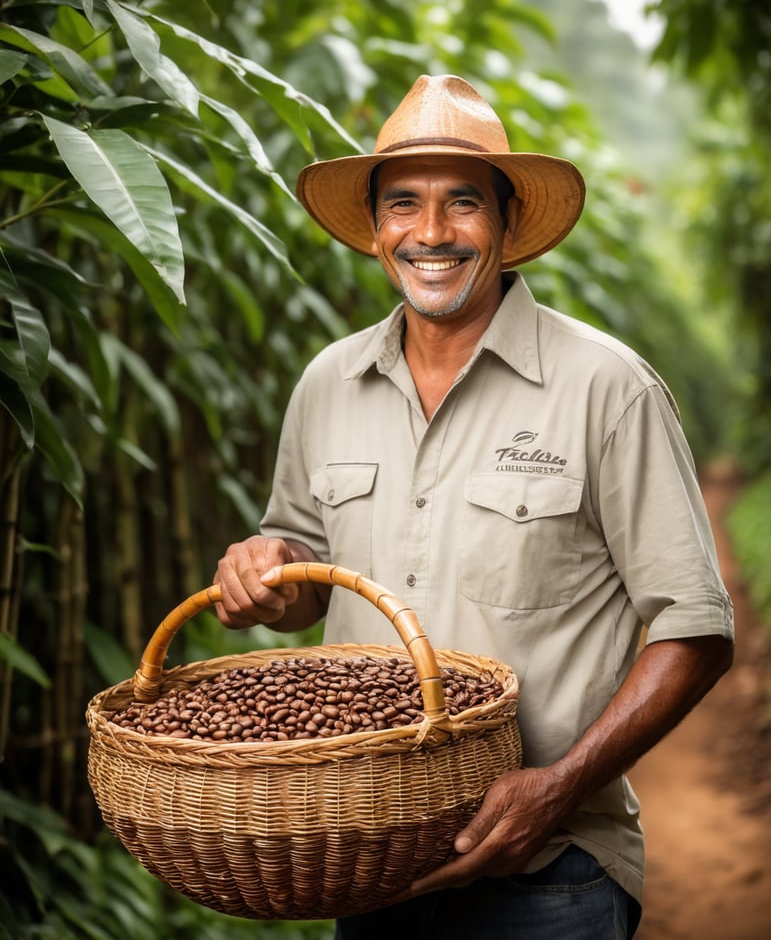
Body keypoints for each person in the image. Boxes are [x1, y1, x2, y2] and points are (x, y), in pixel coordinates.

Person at [214, 75, 734, 939]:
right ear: (376, 229)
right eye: (402, 204)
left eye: (462, 203)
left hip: (548, 873)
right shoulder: (327, 385)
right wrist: (260, 572)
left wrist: (556, 786)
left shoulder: (604, 387)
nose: (430, 233)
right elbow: (301, 569)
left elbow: (695, 627)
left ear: (504, 224)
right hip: (366, 864)